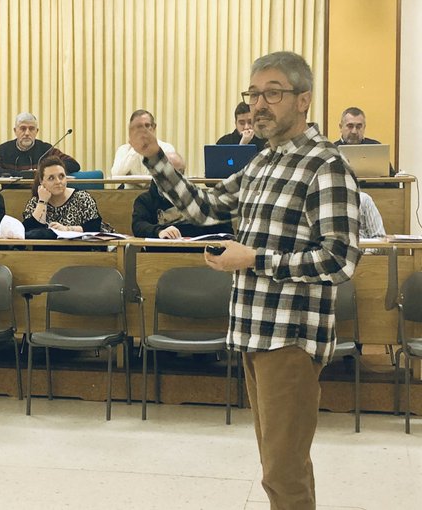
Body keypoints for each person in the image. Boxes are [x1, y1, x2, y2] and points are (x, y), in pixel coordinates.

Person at [129, 51, 361, 510]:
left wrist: (254, 258)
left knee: (283, 473)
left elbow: (340, 259)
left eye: (272, 93)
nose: (258, 105)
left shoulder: (325, 165)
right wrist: (154, 156)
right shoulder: (263, 163)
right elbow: (203, 208)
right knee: (279, 467)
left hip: (290, 339)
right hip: (254, 331)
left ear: (303, 100)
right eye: (253, 94)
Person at [132, 152, 234, 239]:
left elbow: (225, 230)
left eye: (180, 172)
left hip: (198, 252)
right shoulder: (145, 200)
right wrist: (159, 231)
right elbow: (138, 226)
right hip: (160, 252)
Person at [23, 155, 103, 233]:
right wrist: (43, 201)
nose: (58, 182)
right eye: (51, 178)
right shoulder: (35, 202)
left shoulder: (82, 198)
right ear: (41, 181)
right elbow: (29, 231)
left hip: (77, 242)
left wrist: (67, 229)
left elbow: (95, 227)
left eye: (61, 176)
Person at [0, 112, 80, 177]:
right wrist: (21, 174)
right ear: (15, 131)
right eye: (23, 128)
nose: (27, 133)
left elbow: (73, 164)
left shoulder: (46, 149)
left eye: (31, 129)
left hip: (41, 193)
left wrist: (43, 170)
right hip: (10, 193)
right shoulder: (3, 150)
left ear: (36, 131)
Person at [110, 109, 175, 189]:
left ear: (154, 127)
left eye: (147, 125)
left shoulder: (167, 148)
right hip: (130, 193)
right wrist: (135, 148)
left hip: (157, 193)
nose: (143, 130)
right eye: (138, 127)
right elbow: (116, 175)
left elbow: (169, 177)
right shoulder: (123, 150)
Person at [334, 106, 395, 178]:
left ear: (364, 127)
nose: (354, 131)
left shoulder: (375, 148)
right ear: (341, 127)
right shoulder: (331, 150)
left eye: (358, 127)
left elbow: (392, 180)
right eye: (350, 126)